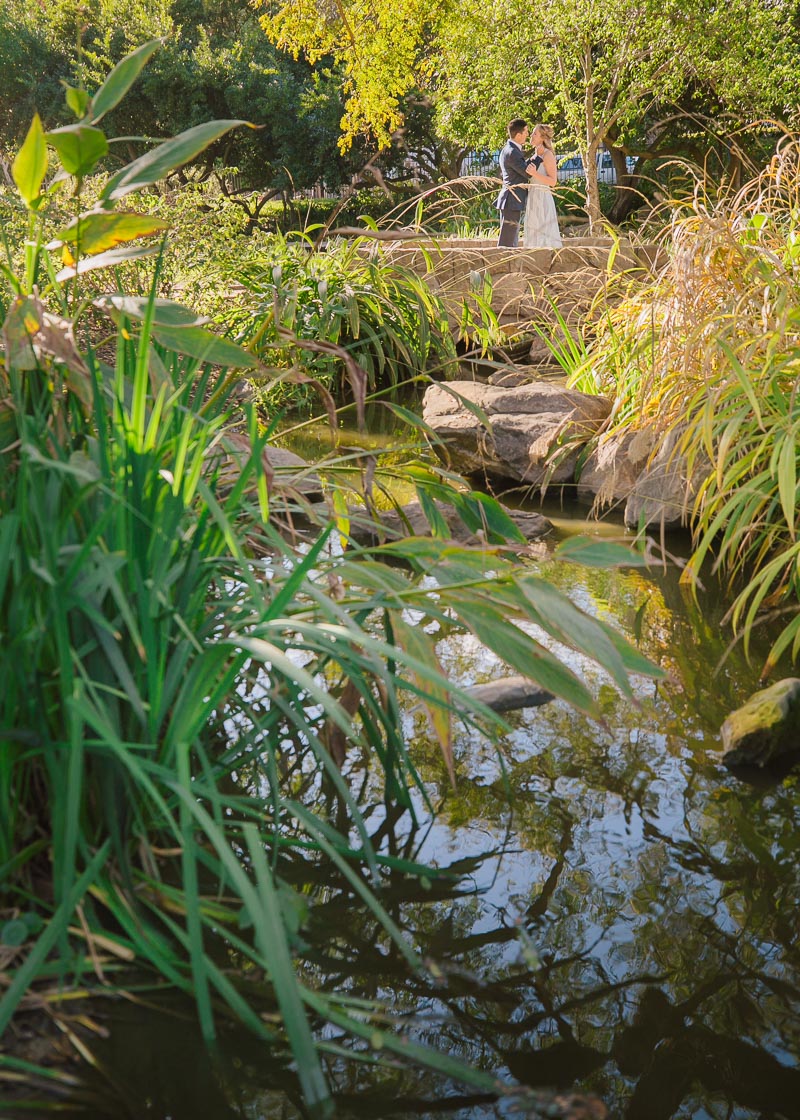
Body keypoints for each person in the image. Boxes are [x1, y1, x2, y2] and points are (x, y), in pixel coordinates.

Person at [496, 118, 540, 248]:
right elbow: (526, 172)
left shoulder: (510, 149)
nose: (528, 134)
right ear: (519, 134)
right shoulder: (512, 152)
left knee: (511, 238)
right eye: (526, 131)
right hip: (512, 200)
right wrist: (538, 157)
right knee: (507, 241)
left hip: (511, 200)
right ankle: (503, 266)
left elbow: (521, 167)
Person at [523, 123, 562, 249]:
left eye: (535, 134)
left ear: (543, 138)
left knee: (544, 231)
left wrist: (535, 173)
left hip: (543, 196)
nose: (531, 136)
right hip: (533, 196)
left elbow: (553, 181)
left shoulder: (547, 155)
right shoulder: (534, 155)